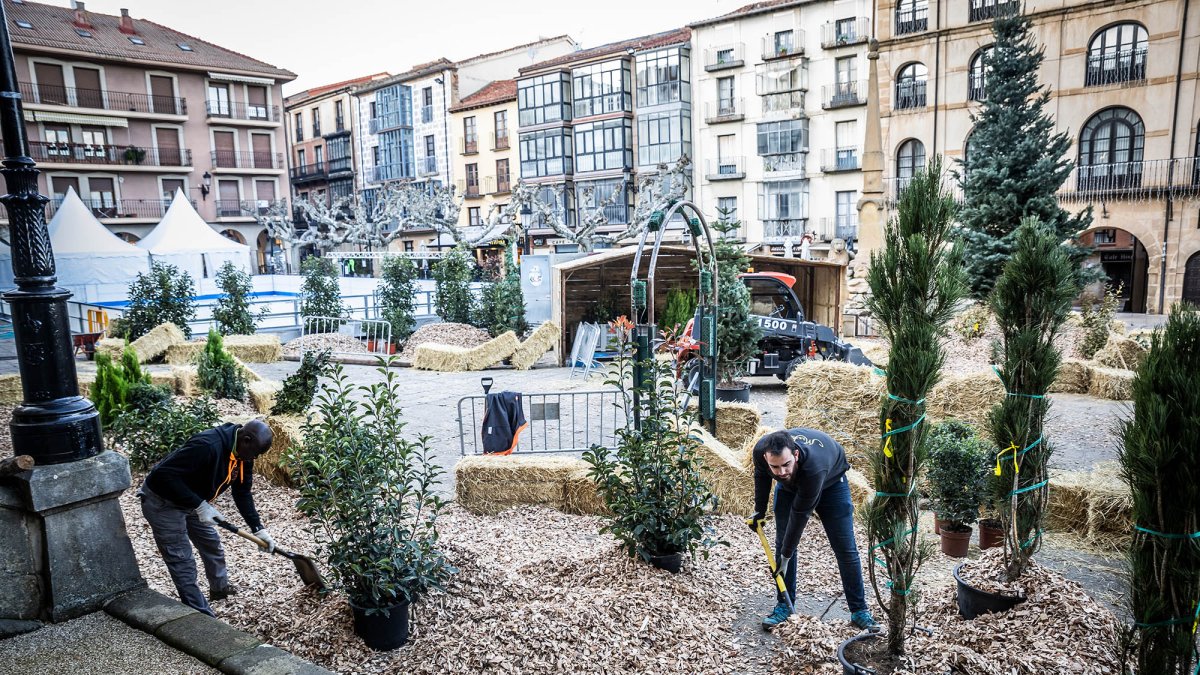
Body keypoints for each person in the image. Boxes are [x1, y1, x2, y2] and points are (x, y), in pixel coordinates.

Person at [138, 419, 276, 617]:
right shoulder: (207, 446)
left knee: (211, 543)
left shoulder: (243, 455)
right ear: (246, 440)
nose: (255, 458)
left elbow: (242, 492)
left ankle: (219, 589)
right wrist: (200, 505)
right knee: (182, 560)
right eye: (255, 453)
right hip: (163, 501)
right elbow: (163, 475)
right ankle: (202, 617)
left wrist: (258, 528)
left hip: (192, 499)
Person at [747, 429, 876, 630]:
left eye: (786, 465)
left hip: (831, 483)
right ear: (766, 457)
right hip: (791, 488)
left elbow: (799, 515)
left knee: (845, 548)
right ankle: (784, 606)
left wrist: (786, 557)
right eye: (775, 467)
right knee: (783, 543)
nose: (781, 472)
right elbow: (761, 476)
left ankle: (859, 610)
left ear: (796, 455)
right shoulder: (761, 451)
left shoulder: (814, 466)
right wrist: (759, 510)